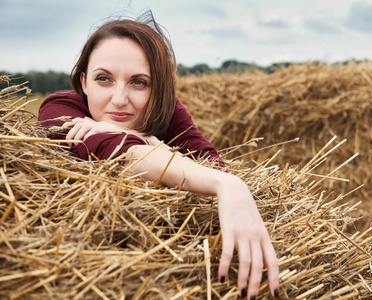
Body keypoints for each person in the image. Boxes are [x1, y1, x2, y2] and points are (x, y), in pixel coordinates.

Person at [38, 12, 279, 299]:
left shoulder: (166, 110)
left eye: (139, 82)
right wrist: (226, 184)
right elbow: (115, 151)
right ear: (84, 81)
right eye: (104, 79)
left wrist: (147, 138)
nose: (119, 99)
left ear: (158, 89)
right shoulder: (58, 110)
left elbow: (211, 163)